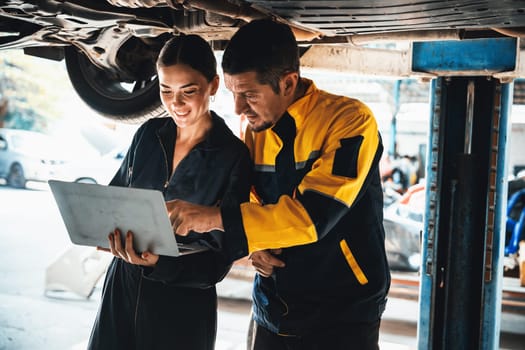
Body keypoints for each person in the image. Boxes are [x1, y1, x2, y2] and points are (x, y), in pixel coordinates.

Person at [167, 19, 391, 350]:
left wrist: (211, 217)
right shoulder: (256, 129)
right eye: (233, 93)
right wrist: (256, 245)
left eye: (249, 95)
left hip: (342, 312)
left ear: (288, 83)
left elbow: (312, 217)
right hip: (275, 307)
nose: (239, 108)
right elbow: (257, 206)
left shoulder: (349, 122)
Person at [87, 34, 252, 350]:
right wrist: (103, 231)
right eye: (166, 90)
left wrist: (160, 264)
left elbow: (222, 257)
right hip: (122, 287)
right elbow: (116, 200)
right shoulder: (148, 135)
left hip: (182, 304)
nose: (175, 104)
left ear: (213, 86)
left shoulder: (233, 156)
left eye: (188, 91)